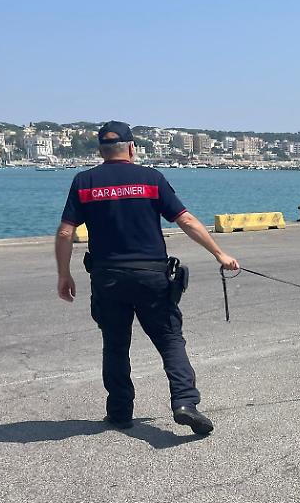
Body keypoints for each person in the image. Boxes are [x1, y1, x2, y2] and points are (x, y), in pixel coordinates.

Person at [55, 121, 240, 434]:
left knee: (115, 344)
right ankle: (184, 403)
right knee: (170, 340)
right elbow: (186, 220)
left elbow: (65, 232)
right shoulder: (151, 178)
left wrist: (64, 274)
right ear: (131, 148)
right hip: (151, 275)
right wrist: (219, 254)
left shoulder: (84, 182)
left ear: (100, 151)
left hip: (107, 277)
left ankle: (120, 413)